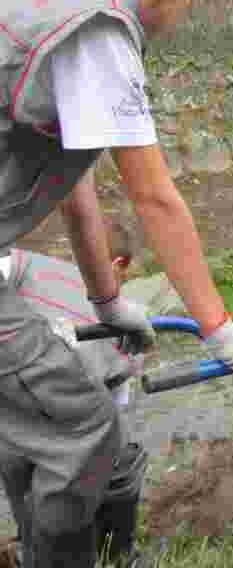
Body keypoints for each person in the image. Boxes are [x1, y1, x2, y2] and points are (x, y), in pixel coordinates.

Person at [0, 0, 233, 568]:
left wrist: (107, 301)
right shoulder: (100, 37)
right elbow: (153, 197)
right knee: (85, 432)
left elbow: (74, 184)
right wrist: (225, 334)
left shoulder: (64, 2)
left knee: (43, 426)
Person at [3, 205, 144, 567]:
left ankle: (29, 551)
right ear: (118, 265)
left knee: (23, 472)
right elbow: (117, 405)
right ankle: (116, 554)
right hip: (66, 405)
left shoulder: (30, 267)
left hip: (17, 402)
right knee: (118, 465)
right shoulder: (120, 324)